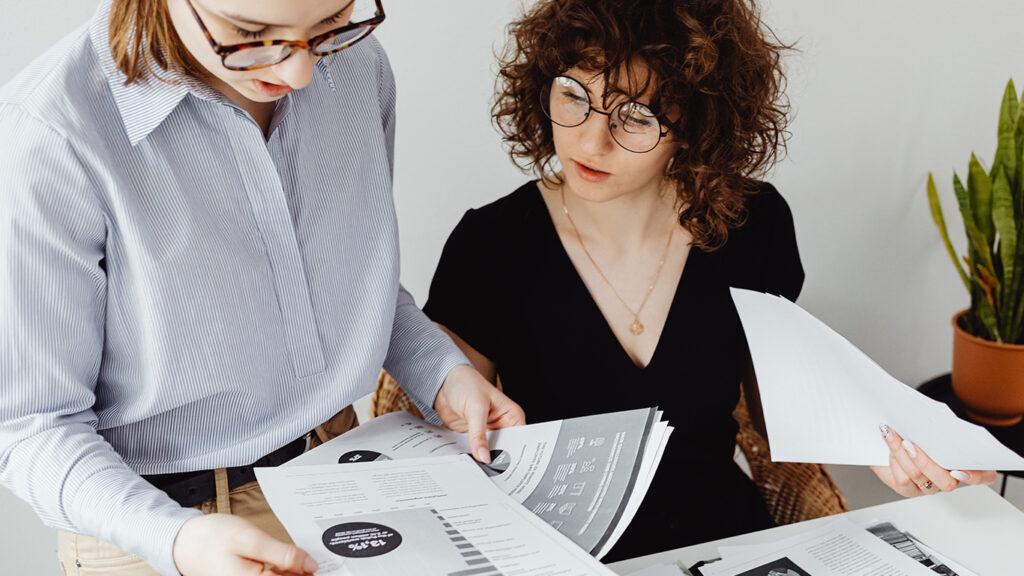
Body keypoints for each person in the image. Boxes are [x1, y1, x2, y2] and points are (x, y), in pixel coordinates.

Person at [422, 0, 996, 561]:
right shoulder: (492, 244)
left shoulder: (751, 223)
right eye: (573, 95)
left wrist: (888, 446)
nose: (590, 142)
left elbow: (779, 410)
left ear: (695, 125)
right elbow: (446, 442)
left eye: (635, 117)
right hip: (557, 554)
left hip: (723, 546)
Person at [0, 1, 524, 575]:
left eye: (329, 24)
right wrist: (175, 540)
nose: (300, 74)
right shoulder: (50, 134)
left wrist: (439, 371)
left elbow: (347, 274)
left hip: (346, 471)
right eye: (250, 34)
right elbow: (32, 430)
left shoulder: (356, 67)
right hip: (155, 527)